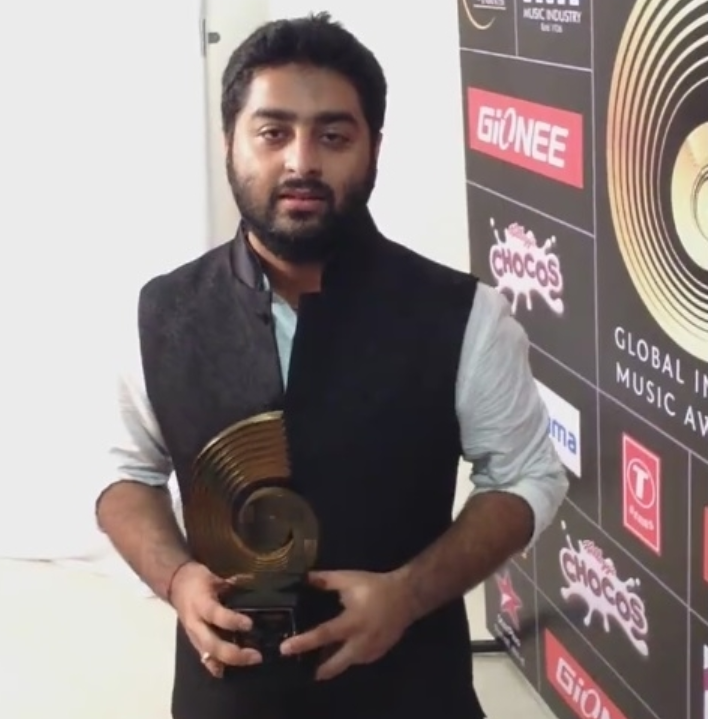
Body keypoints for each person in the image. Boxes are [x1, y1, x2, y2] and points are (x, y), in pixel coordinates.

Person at [95, 12, 568, 719]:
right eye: (273, 132)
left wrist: (407, 593)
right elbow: (124, 474)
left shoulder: (465, 315)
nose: (302, 163)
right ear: (229, 142)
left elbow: (527, 474)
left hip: (412, 692)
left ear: (375, 146)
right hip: (225, 696)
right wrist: (178, 578)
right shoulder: (160, 312)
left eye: (334, 136)